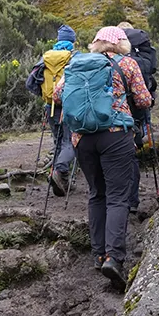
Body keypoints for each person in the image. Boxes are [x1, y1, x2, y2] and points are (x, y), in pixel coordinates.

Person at [53, 26, 151, 289]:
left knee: (97, 194)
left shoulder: (77, 64)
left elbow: (57, 95)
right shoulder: (127, 64)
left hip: (82, 138)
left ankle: (98, 254)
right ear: (121, 43)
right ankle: (114, 257)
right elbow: (144, 100)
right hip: (116, 135)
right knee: (117, 197)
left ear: (96, 43)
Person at [25, 24, 77, 196]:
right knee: (70, 142)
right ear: (72, 41)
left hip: (50, 107)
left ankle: (59, 180)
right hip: (69, 107)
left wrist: (45, 96)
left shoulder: (45, 58)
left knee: (58, 142)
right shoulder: (74, 57)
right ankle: (60, 171)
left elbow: (30, 83)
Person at [117, 21, 158, 213]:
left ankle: (118, 197)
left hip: (116, 113)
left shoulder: (112, 58)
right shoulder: (144, 55)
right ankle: (132, 200)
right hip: (138, 112)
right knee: (132, 152)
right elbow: (148, 89)